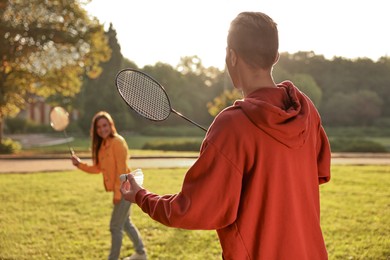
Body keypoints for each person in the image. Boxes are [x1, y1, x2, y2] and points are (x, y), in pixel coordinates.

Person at [121, 11, 331, 260]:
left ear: (231, 56)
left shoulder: (231, 125)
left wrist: (140, 195)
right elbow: (314, 173)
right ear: (275, 57)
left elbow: (190, 210)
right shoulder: (306, 111)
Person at [71, 111, 147, 260]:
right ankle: (141, 253)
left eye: (104, 125)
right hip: (123, 189)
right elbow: (98, 168)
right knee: (125, 223)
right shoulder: (103, 145)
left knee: (115, 226)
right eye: (98, 127)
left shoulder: (118, 142)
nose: (102, 129)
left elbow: (121, 170)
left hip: (127, 188)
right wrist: (79, 164)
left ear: (110, 125)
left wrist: (118, 195)